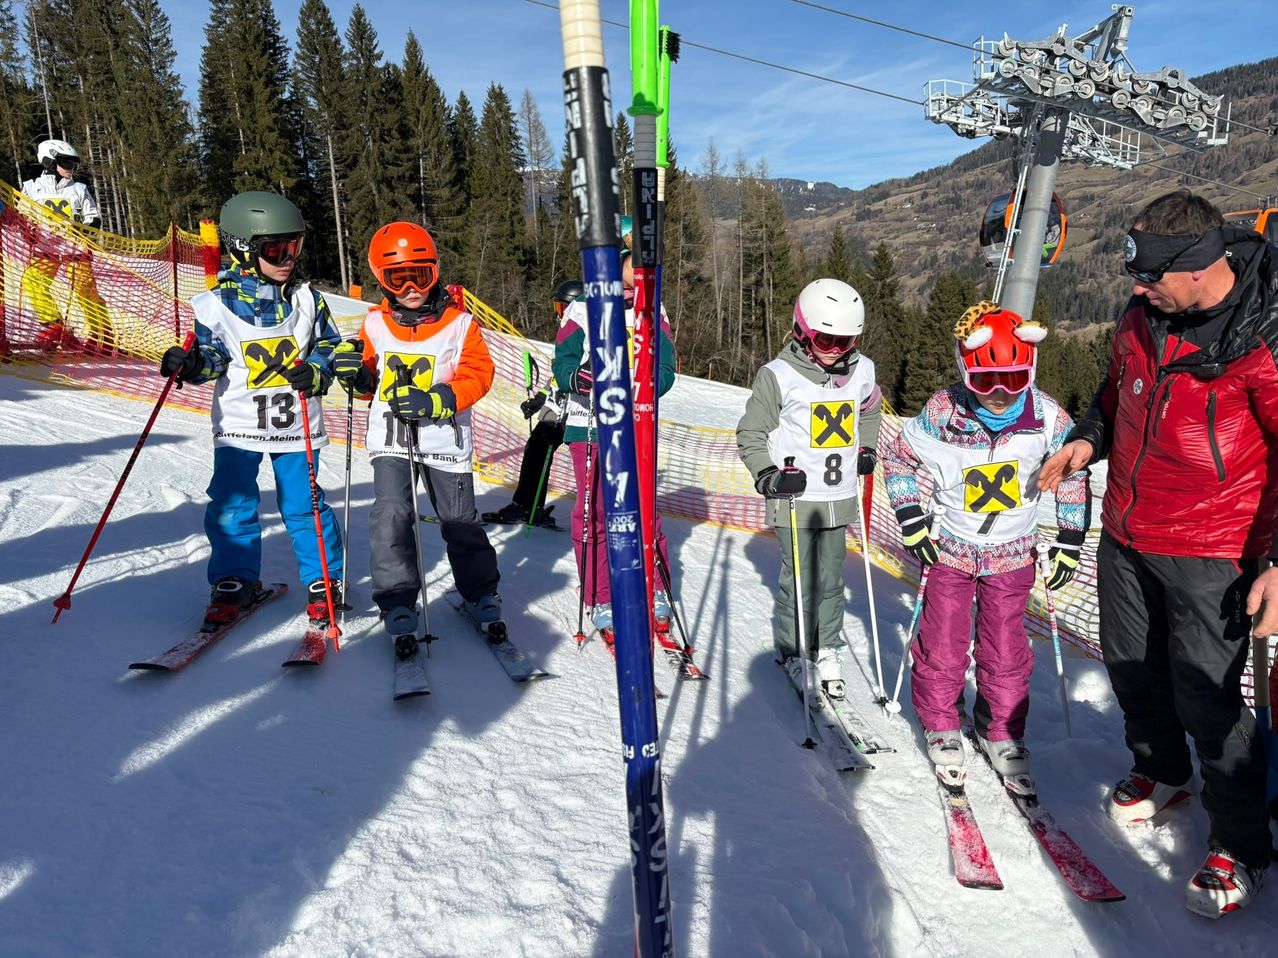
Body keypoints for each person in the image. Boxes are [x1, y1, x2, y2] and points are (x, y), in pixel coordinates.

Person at [1040, 190, 1278, 918]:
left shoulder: (1264, 340)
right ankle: (1163, 771)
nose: (1136, 288)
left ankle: (1240, 844)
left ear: (1201, 266)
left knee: (1207, 695)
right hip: (1128, 530)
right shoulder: (1142, 316)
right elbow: (1114, 396)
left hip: (1217, 546)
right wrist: (1088, 440)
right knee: (1132, 669)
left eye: (1149, 276)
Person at [881, 301, 1087, 783]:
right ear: (965, 371)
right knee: (944, 640)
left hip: (1013, 556)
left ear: (1030, 370)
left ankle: (1002, 729)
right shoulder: (943, 411)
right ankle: (939, 721)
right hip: (951, 549)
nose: (998, 394)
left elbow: (1071, 476)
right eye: (985, 381)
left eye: (1013, 380)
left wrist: (1070, 538)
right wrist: (912, 517)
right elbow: (901, 460)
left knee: (1006, 647)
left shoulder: (1049, 418)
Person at [158, 190, 344, 625]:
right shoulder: (214, 306)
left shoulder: (307, 300)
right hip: (240, 424)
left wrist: (317, 372)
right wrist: (189, 364)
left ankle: (324, 582)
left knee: (304, 503)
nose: (288, 258)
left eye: (294, 246)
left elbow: (331, 348)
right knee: (232, 501)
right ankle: (235, 579)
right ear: (243, 251)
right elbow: (212, 358)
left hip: (296, 422)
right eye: (276, 249)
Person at [331, 221, 501, 657]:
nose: (410, 287)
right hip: (391, 439)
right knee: (390, 515)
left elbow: (479, 375)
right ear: (381, 281)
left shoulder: (460, 324)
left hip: (445, 441)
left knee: (460, 521)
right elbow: (369, 380)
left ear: (436, 272)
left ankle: (480, 592)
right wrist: (357, 374)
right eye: (397, 278)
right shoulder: (375, 323)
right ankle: (398, 599)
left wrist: (441, 398)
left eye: (420, 276)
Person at [736, 278, 882, 697]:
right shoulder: (778, 376)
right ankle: (796, 650)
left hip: (837, 498)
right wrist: (768, 475)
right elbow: (750, 432)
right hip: (795, 498)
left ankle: (828, 647)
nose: (836, 349)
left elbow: (870, 409)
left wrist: (867, 448)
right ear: (802, 329)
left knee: (832, 580)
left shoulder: (863, 371)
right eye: (825, 338)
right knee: (800, 580)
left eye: (846, 340)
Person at [552, 250, 675, 647]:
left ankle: (654, 588)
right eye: (631, 263)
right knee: (595, 510)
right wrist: (579, 378)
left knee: (643, 509)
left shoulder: (653, 307)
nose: (639, 272)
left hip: (636, 422)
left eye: (644, 266)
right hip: (588, 423)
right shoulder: (582, 308)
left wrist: (645, 381)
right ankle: (600, 595)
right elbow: (563, 364)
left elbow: (667, 369)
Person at [483, 279, 583, 528]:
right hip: (559, 408)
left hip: (577, 411)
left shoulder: (584, 332)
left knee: (576, 459)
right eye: (558, 308)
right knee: (537, 450)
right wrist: (540, 399)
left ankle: (590, 514)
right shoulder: (568, 332)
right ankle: (528, 505)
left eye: (564, 308)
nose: (560, 315)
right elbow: (558, 376)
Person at [19, 139, 113, 353]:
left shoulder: (79, 189)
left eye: (74, 165)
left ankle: (103, 338)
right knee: (33, 281)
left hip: (75, 249)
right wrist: (27, 232)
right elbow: (23, 215)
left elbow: (93, 216)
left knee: (84, 291)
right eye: (67, 164)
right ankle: (55, 326)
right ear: (50, 162)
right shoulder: (31, 187)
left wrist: (86, 229)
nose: (72, 170)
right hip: (46, 247)